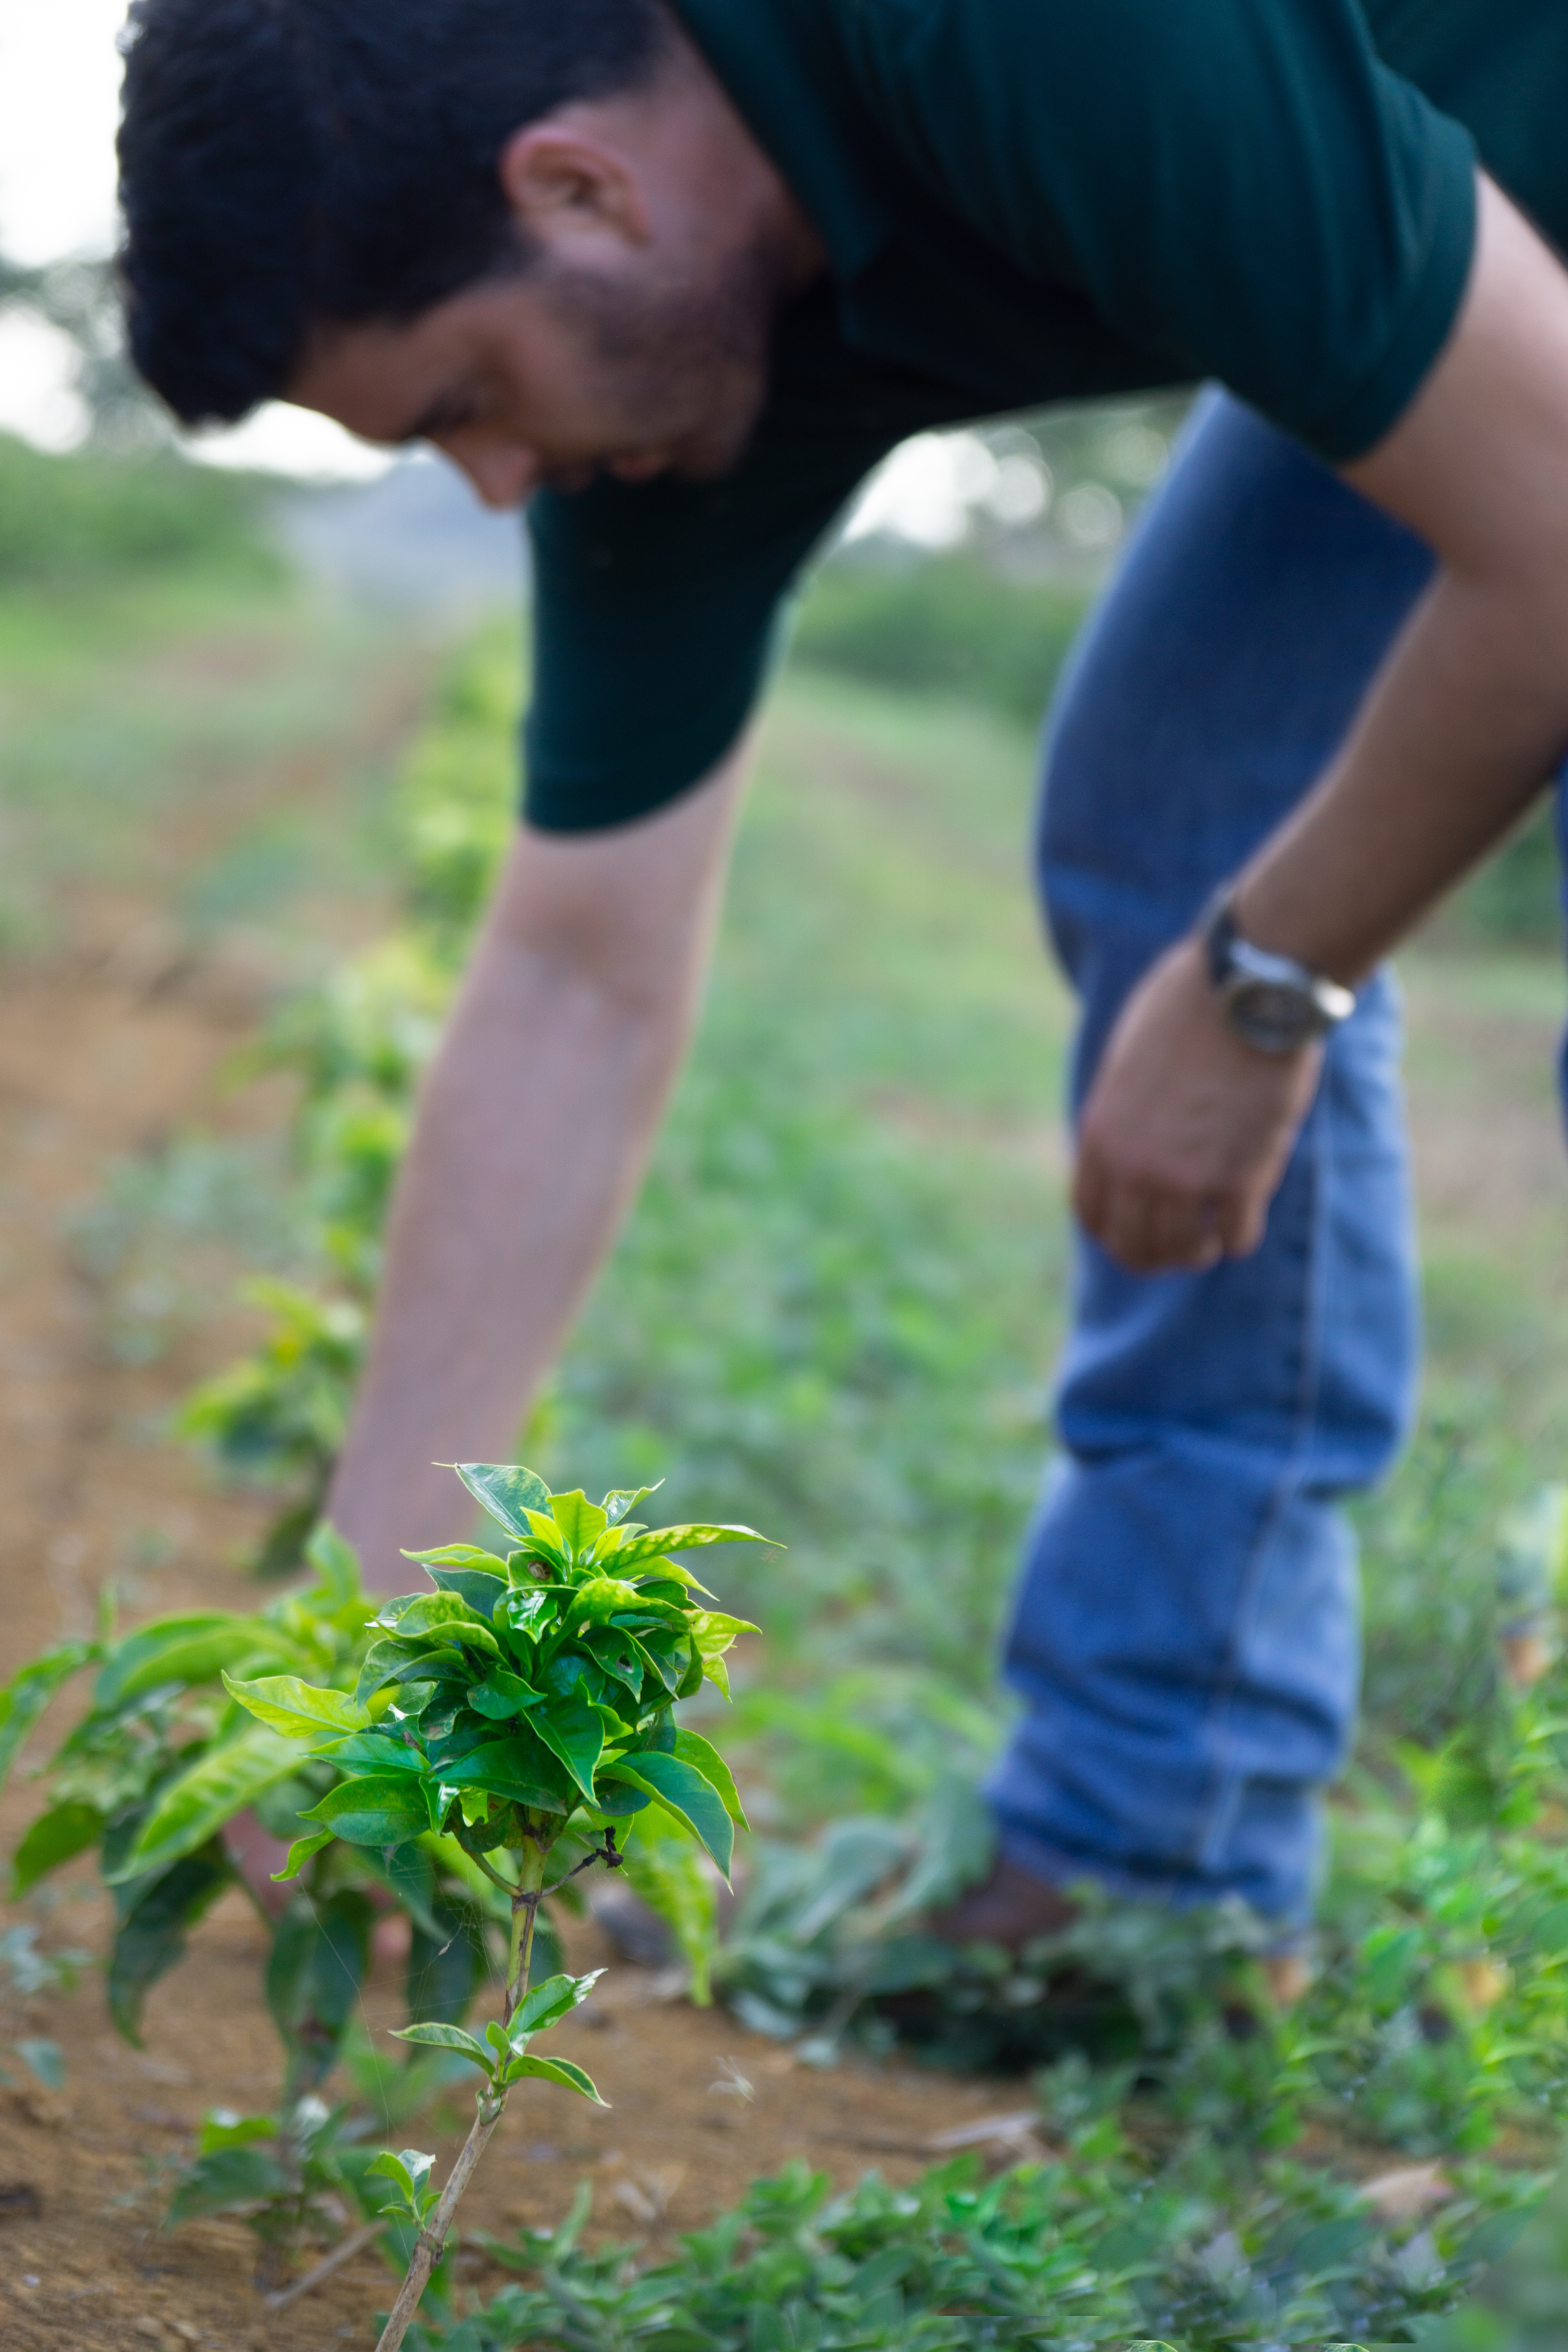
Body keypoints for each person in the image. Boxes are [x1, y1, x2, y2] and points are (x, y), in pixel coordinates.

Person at [115, 0, 1568, 1947]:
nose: (488, 485)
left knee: (1243, 895)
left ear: (578, 187)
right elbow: (574, 973)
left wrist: (1265, 990)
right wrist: (376, 1645)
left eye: (462, 400)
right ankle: (1154, 1883)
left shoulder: (1005, 40)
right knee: (1177, 815)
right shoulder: (664, 361)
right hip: (1487, 238)